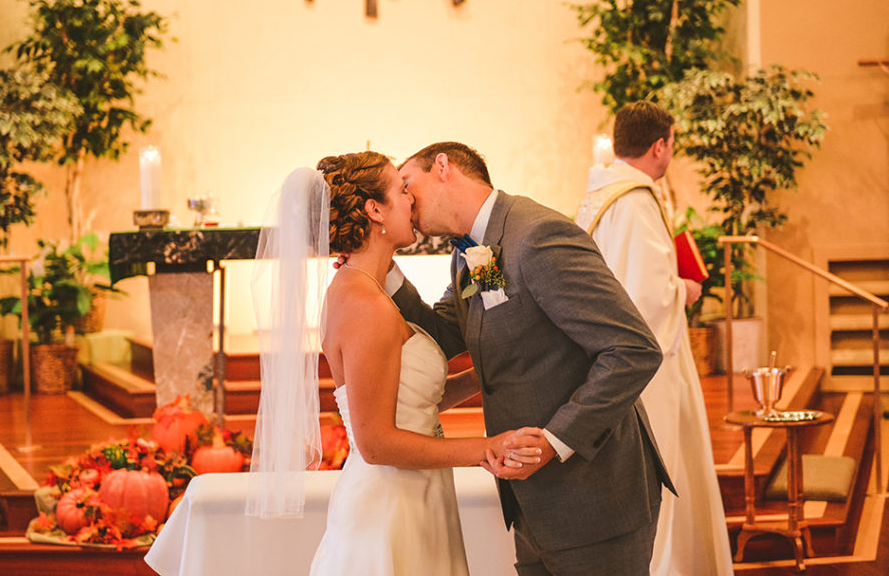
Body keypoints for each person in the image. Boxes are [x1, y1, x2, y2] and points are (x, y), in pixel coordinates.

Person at [246, 151, 544, 576]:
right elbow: (377, 442)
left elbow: (411, 401)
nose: (411, 201)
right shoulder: (366, 304)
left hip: (415, 495)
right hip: (388, 502)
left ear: (445, 170)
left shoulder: (387, 283)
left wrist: (482, 376)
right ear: (374, 210)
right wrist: (484, 447)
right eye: (401, 190)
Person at [389, 142, 673, 576]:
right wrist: (382, 273)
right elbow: (446, 334)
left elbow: (632, 349)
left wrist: (555, 441)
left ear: (443, 167)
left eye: (408, 185)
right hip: (534, 500)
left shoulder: (537, 235)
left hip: (594, 498)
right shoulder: (474, 249)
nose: (406, 203)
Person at [574, 101, 733, 576]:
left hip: (603, 359)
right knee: (665, 471)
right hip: (648, 367)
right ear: (660, 144)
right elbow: (645, 297)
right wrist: (683, 288)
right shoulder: (636, 200)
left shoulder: (598, 196)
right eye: (671, 144)